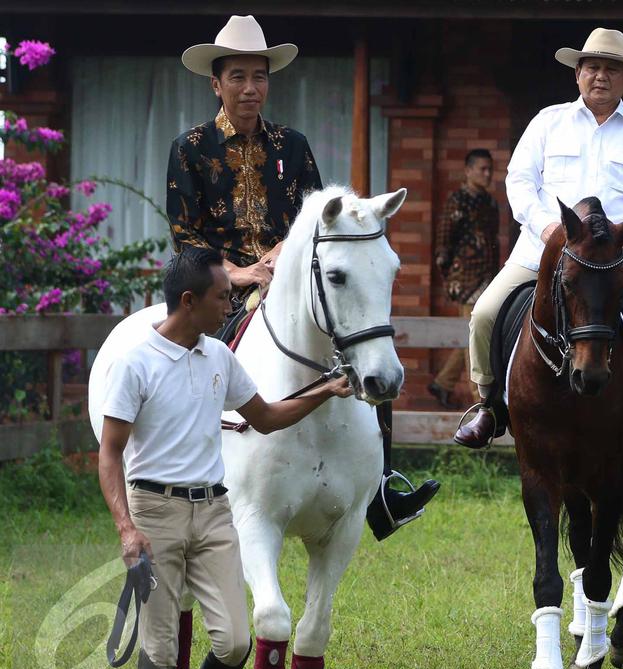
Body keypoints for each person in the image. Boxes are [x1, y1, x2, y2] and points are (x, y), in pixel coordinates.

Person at [167, 14, 434, 537]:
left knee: (361, 349)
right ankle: (189, 478)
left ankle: (379, 489)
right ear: (216, 83)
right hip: (217, 284)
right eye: (238, 76)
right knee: (189, 364)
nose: (250, 88)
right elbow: (185, 234)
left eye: (259, 76)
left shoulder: (293, 145)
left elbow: (315, 219)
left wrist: (281, 260)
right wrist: (240, 272)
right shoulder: (190, 147)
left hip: (292, 281)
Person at [98, 249, 352, 669]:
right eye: (223, 298)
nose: (231, 307)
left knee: (236, 641)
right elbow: (110, 453)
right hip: (156, 511)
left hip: (215, 513)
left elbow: (266, 417)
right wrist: (126, 528)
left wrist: (325, 391)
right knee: (160, 648)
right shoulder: (134, 364)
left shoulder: (219, 355)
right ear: (189, 301)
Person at [452, 27, 623, 452]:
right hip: (544, 253)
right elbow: (520, 181)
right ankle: (488, 405)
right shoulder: (547, 122)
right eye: (592, 67)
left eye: (611, 69)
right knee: (485, 314)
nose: (600, 76)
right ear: (578, 74)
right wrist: (547, 229)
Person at [430, 148, 500, 409]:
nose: (487, 173)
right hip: (465, 279)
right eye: (482, 168)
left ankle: (443, 383)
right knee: (473, 336)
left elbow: (494, 244)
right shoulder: (456, 201)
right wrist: (451, 276)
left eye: (489, 169)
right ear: (468, 170)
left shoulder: (490, 204)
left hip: (488, 278)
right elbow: (443, 243)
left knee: (471, 333)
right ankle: (478, 401)